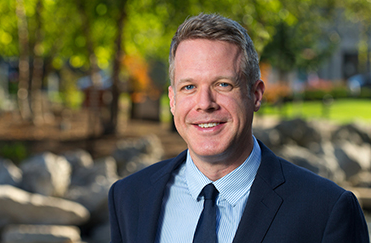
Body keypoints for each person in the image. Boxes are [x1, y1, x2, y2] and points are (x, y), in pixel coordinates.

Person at [108, 13, 369, 243]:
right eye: (189, 87)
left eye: (223, 85)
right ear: (172, 100)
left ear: (255, 95)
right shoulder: (129, 198)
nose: (204, 104)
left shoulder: (326, 210)